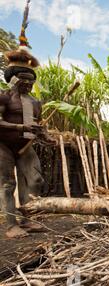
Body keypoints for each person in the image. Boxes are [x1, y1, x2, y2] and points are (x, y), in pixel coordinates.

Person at [0, 2, 50, 238]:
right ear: (13, 79)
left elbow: (38, 127)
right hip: (4, 146)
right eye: (23, 79)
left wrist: (42, 133)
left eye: (31, 80)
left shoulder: (35, 102)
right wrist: (21, 126)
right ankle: (11, 226)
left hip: (26, 147)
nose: (28, 84)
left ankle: (27, 220)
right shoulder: (4, 97)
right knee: (8, 184)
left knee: (35, 180)